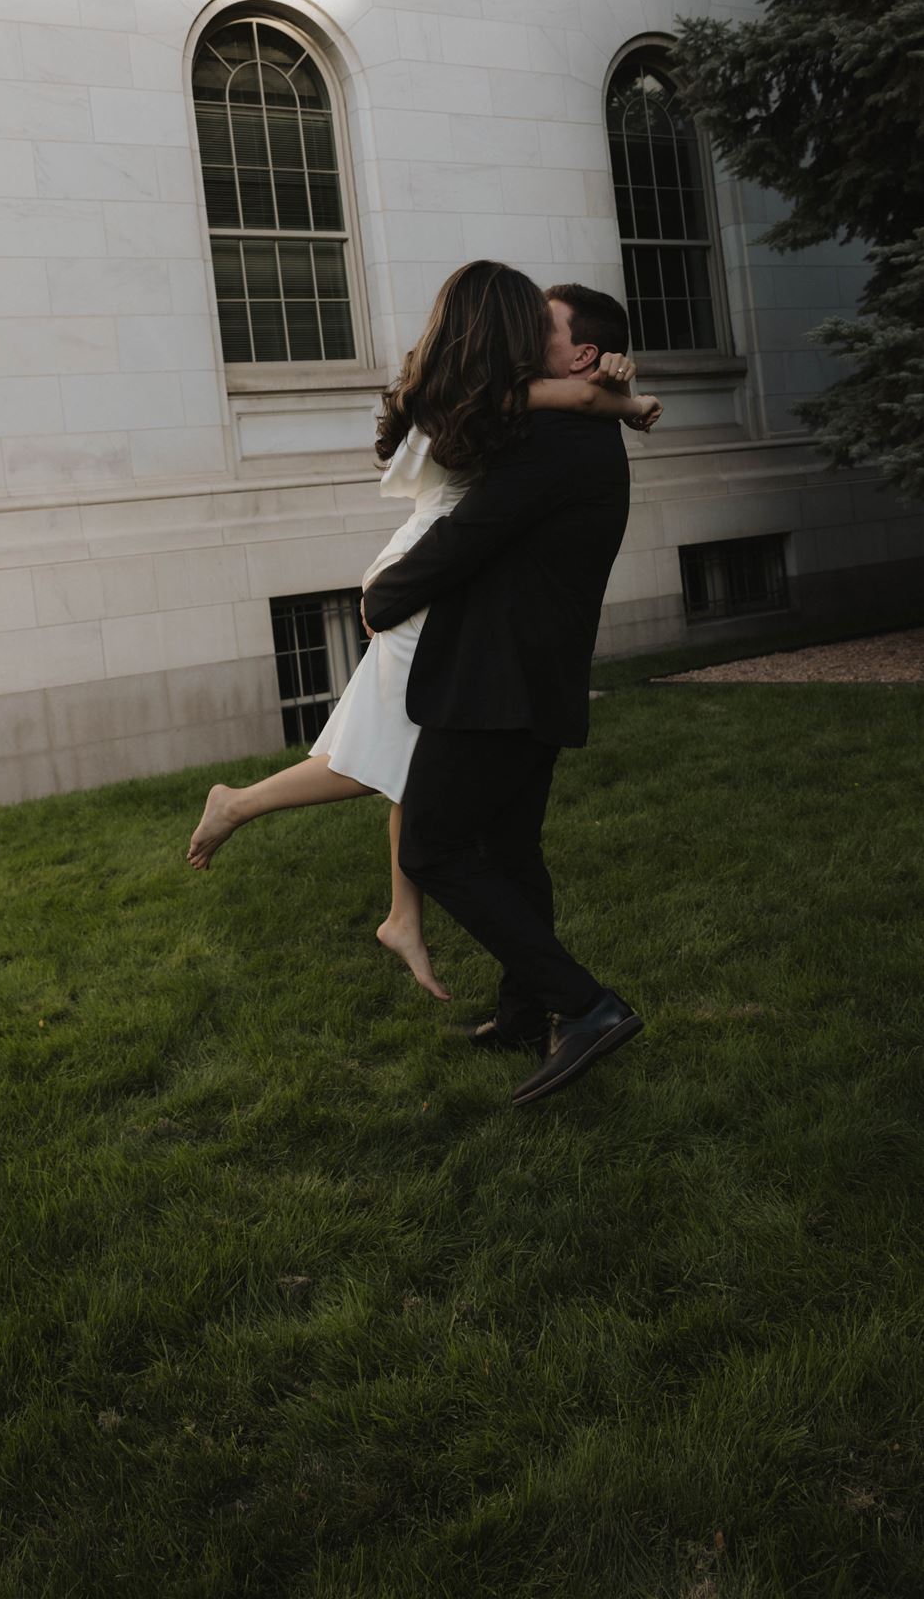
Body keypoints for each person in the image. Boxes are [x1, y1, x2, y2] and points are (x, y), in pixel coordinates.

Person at [186, 263, 661, 1011]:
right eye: (527, 321)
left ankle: (429, 937)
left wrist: (608, 393)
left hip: (451, 594)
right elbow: (510, 445)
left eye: (546, 324)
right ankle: (256, 816)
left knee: (421, 764)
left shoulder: (522, 409)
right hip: (424, 581)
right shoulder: (481, 401)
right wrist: (613, 397)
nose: (531, 332)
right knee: (402, 753)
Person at [361, 275, 646, 1107]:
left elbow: (466, 538)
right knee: (510, 852)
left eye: (542, 330)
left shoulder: (558, 442)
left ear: (581, 352)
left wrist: (381, 597)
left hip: (497, 684)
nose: (526, 342)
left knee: (433, 848)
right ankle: (527, 1012)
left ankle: (586, 1007)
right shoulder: (570, 427)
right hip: (530, 680)